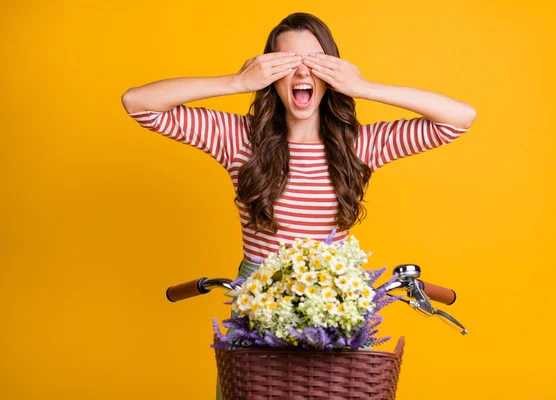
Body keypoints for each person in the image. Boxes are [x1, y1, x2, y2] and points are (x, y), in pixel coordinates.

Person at [121, 12, 476, 399]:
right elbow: (138, 103)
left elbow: (458, 119)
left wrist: (363, 86)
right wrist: (237, 82)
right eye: (287, 63)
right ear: (269, 75)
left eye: (315, 62)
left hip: (334, 314)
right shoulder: (238, 139)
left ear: (332, 73)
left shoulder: (358, 147)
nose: (302, 73)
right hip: (257, 310)